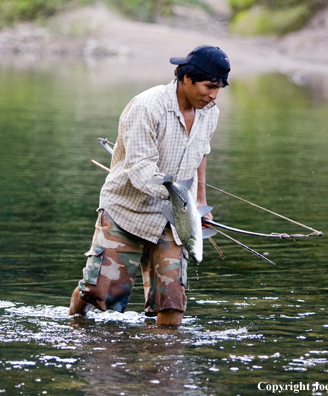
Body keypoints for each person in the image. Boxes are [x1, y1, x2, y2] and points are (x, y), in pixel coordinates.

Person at [69, 45, 230, 326]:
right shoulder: (147, 106)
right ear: (187, 78)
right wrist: (182, 200)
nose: (213, 95)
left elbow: (201, 153)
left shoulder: (209, 112)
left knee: (172, 307)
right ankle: (74, 318)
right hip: (127, 212)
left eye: (219, 88)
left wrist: (199, 206)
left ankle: (158, 365)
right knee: (98, 296)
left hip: (174, 220)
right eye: (209, 86)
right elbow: (142, 173)